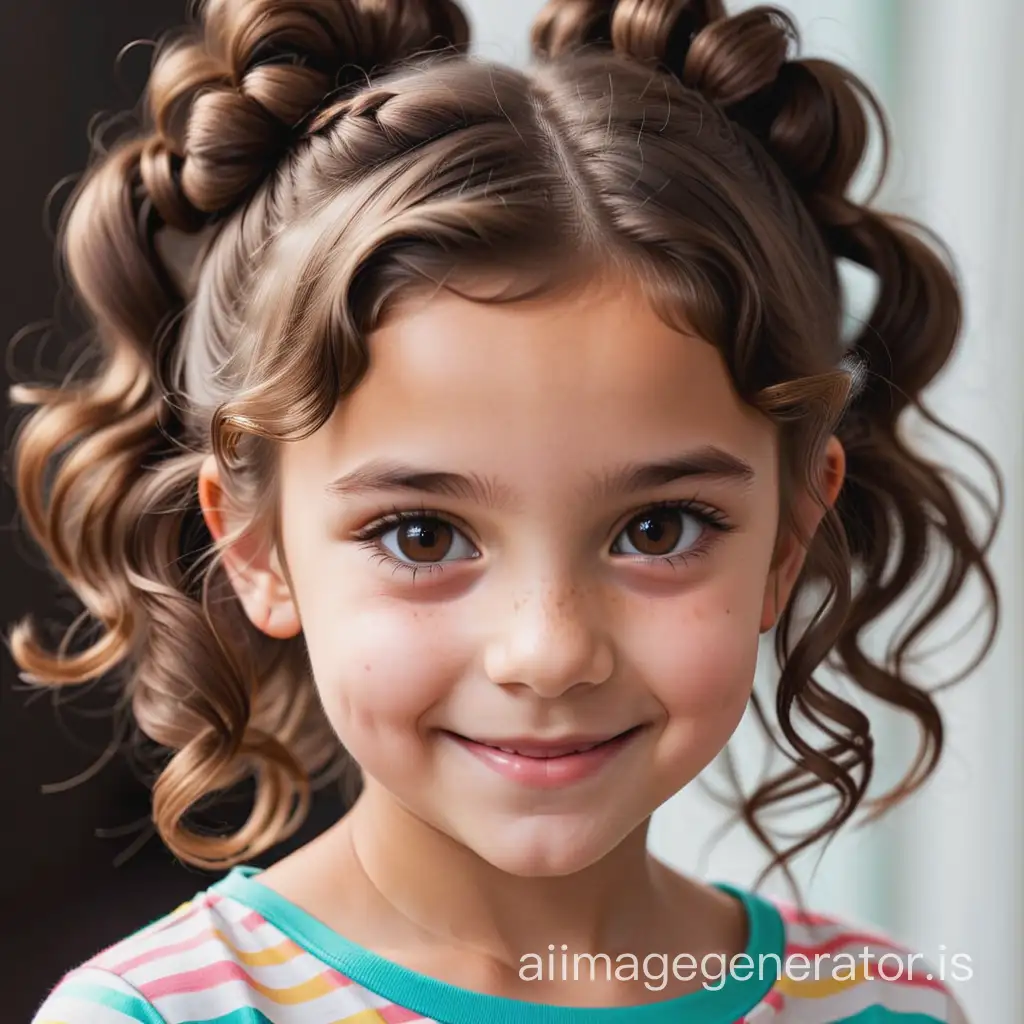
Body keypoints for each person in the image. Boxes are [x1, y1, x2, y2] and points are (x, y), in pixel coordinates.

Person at [12, 0, 999, 1020]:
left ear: (790, 537)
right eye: (422, 535)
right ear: (257, 548)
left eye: (659, 528)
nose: (548, 650)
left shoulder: (885, 1004)